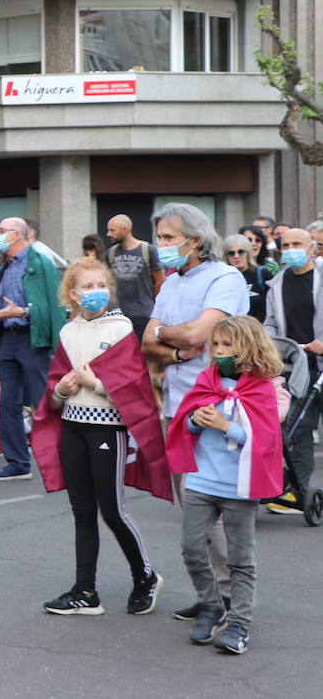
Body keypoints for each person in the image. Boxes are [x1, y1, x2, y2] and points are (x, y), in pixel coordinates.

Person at [30, 260, 169, 617]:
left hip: (108, 427)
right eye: (87, 286)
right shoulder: (67, 332)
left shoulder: (122, 328)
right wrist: (61, 389)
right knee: (81, 510)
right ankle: (85, 590)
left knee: (113, 509)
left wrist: (97, 385)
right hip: (73, 426)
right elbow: (54, 390)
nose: (96, 292)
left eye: (101, 284)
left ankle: (146, 576)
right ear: (74, 294)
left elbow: (134, 386)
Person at [142, 202, 248, 621]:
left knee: (215, 508)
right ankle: (209, 596)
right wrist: (176, 346)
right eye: (160, 237)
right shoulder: (169, 283)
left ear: (197, 241)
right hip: (176, 405)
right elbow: (146, 342)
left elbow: (199, 334)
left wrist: (166, 337)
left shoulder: (225, 278)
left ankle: (229, 598)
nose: (161, 246)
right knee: (192, 509)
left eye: (169, 238)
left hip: (215, 407)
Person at [165, 316, 285, 655]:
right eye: (215, 345)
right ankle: (211, 604)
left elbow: (264, 440)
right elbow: (184, 426)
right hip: (202, 480)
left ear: (248, 347)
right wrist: (193, 420)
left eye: (227, 345)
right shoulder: (207, 380)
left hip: (239, 487)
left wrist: (225, 424)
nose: (219, 352)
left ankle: (239, 624)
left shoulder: (260, 387)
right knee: (191, 547)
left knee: (241, 558)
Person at [0, 217, 67, 481]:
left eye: (0, 231)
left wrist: (23, 312)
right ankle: (18, 463)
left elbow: (54, 306)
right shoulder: (3, 269)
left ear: (16, 235)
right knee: (7, 404)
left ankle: (64, 458)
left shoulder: (40, 263)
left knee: (44, 402)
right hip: (9, 340)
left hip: (33, 340)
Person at [260, 227, 323, 513]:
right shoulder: (277, 284)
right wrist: (271, 345)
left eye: (297, 244)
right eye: (286, 245)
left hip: (320, 357)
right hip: (298, 366)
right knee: (299, 430)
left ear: (312, 247)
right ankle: (300, 492)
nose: (291, 249)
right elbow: (270, 323)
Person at [104, 213, 165, 341]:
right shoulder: (110, 254)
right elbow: (108, 283)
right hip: (118, 315)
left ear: (125, 229)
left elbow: (160, 281)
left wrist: (149, 302)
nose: (108, 234)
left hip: (144, 314)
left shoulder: (148, 250)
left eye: (112, 230)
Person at [222, 233, 270, 322]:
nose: (236, 256)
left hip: (259, 329)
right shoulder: (222, 278)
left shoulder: (262, 274)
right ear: (226, 256)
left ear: (248, 253)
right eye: (231, 253)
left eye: (241, 252)